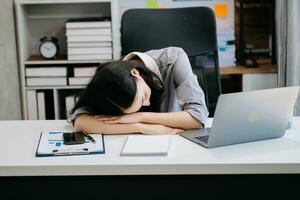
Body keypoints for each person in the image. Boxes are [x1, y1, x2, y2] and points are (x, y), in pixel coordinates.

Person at [71, 47, 209, 135]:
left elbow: (198, 118)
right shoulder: (108, 80)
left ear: (135, 73)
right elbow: (81, 123)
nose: (147, 104)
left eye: (144, 97)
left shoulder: (174, 59)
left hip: (175, 141)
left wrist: (140, 117)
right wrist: (139, 127)